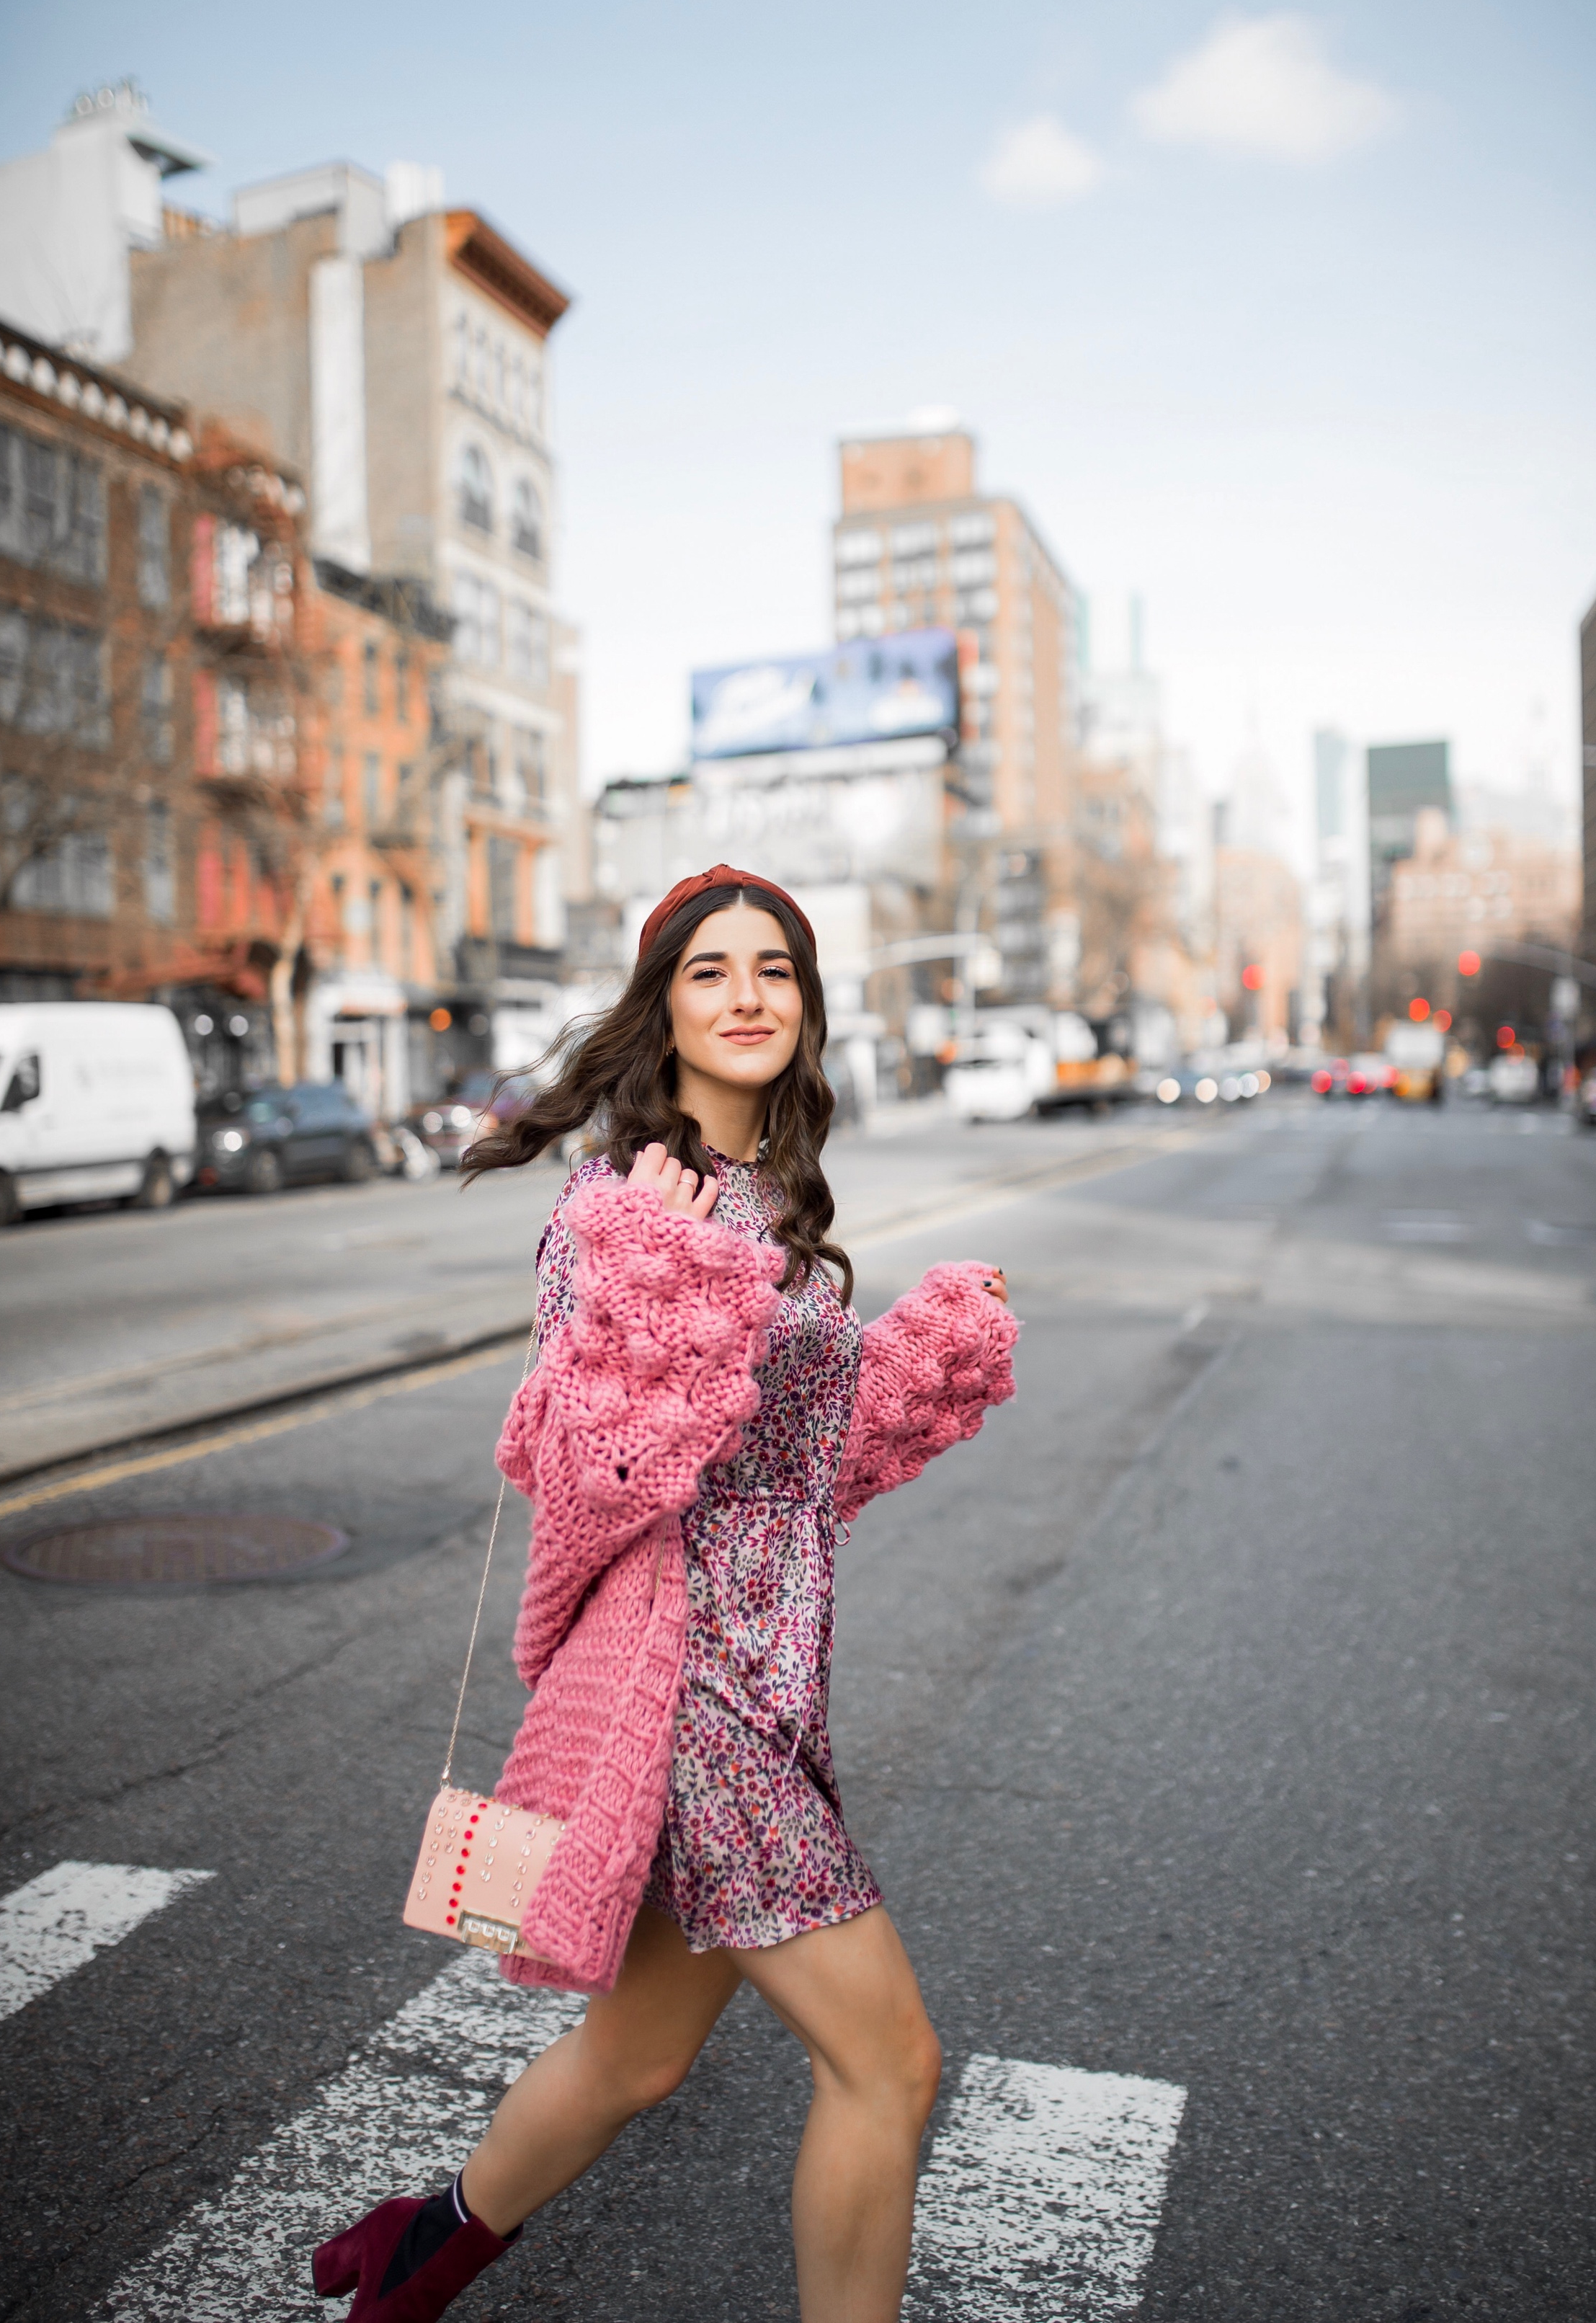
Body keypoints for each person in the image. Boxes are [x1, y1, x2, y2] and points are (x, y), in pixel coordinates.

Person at [313, 866, 1018, 2323]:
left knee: (636, 2055)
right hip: (694, 1695)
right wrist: (655, 1259)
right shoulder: (618, 1208)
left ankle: (413, 2252)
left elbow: (786, 1462)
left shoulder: (778, 1195)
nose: (748, 993)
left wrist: (925, 1345)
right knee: (887, 2062)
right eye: (710, 970)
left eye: (776, 968)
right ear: (666, 1008)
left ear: (807, 1003)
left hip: (773, 1676)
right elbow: (592, 1472)